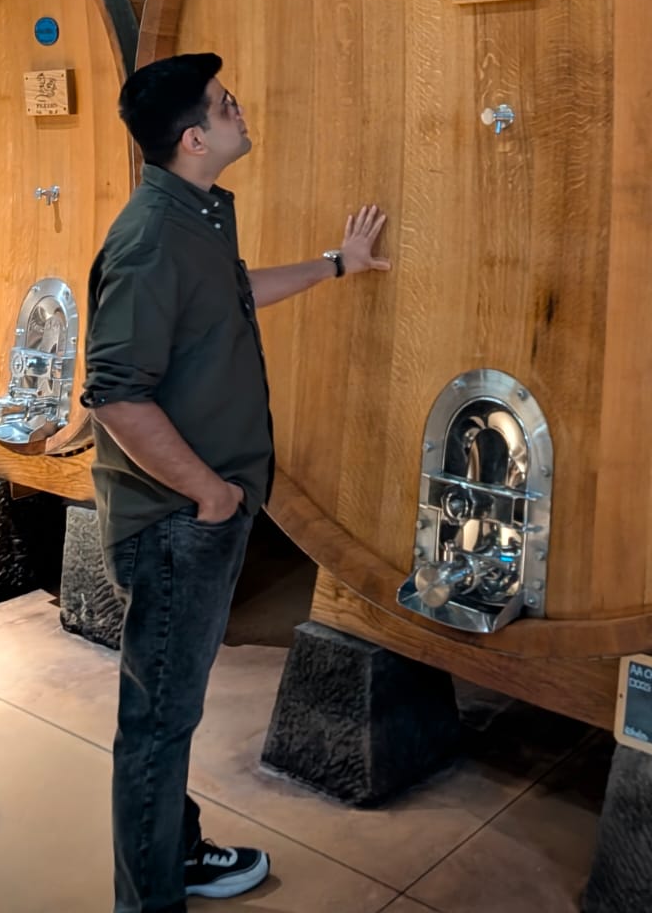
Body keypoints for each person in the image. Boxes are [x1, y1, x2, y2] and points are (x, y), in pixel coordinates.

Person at [82, 52, 389, 911]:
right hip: (177, 523)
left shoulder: (195, 214)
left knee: (166, 712)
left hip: (193, 516)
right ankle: (150, 899)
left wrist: (336, 264)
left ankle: (174, 854)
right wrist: (210, 496)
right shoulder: (153, 235)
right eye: (225, 105)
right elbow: (116, 392)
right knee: (158, 724)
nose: (239, 110)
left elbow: (230, 294)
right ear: (193, 138)